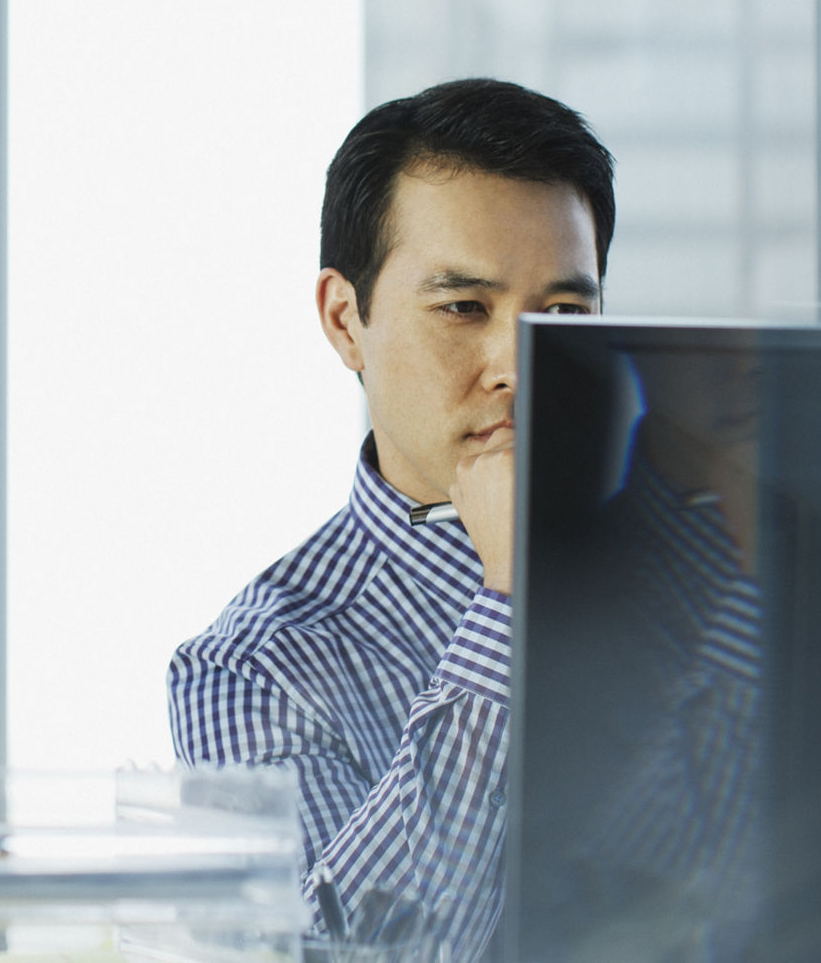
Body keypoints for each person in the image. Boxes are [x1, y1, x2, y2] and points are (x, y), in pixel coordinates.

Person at [167, 78, 612, 958]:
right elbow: (366, 955)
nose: (519, 368)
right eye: (463, 308)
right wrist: (508, 602)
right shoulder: (253, 668)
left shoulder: (697, 558)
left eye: (563, 315)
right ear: (345, 320)